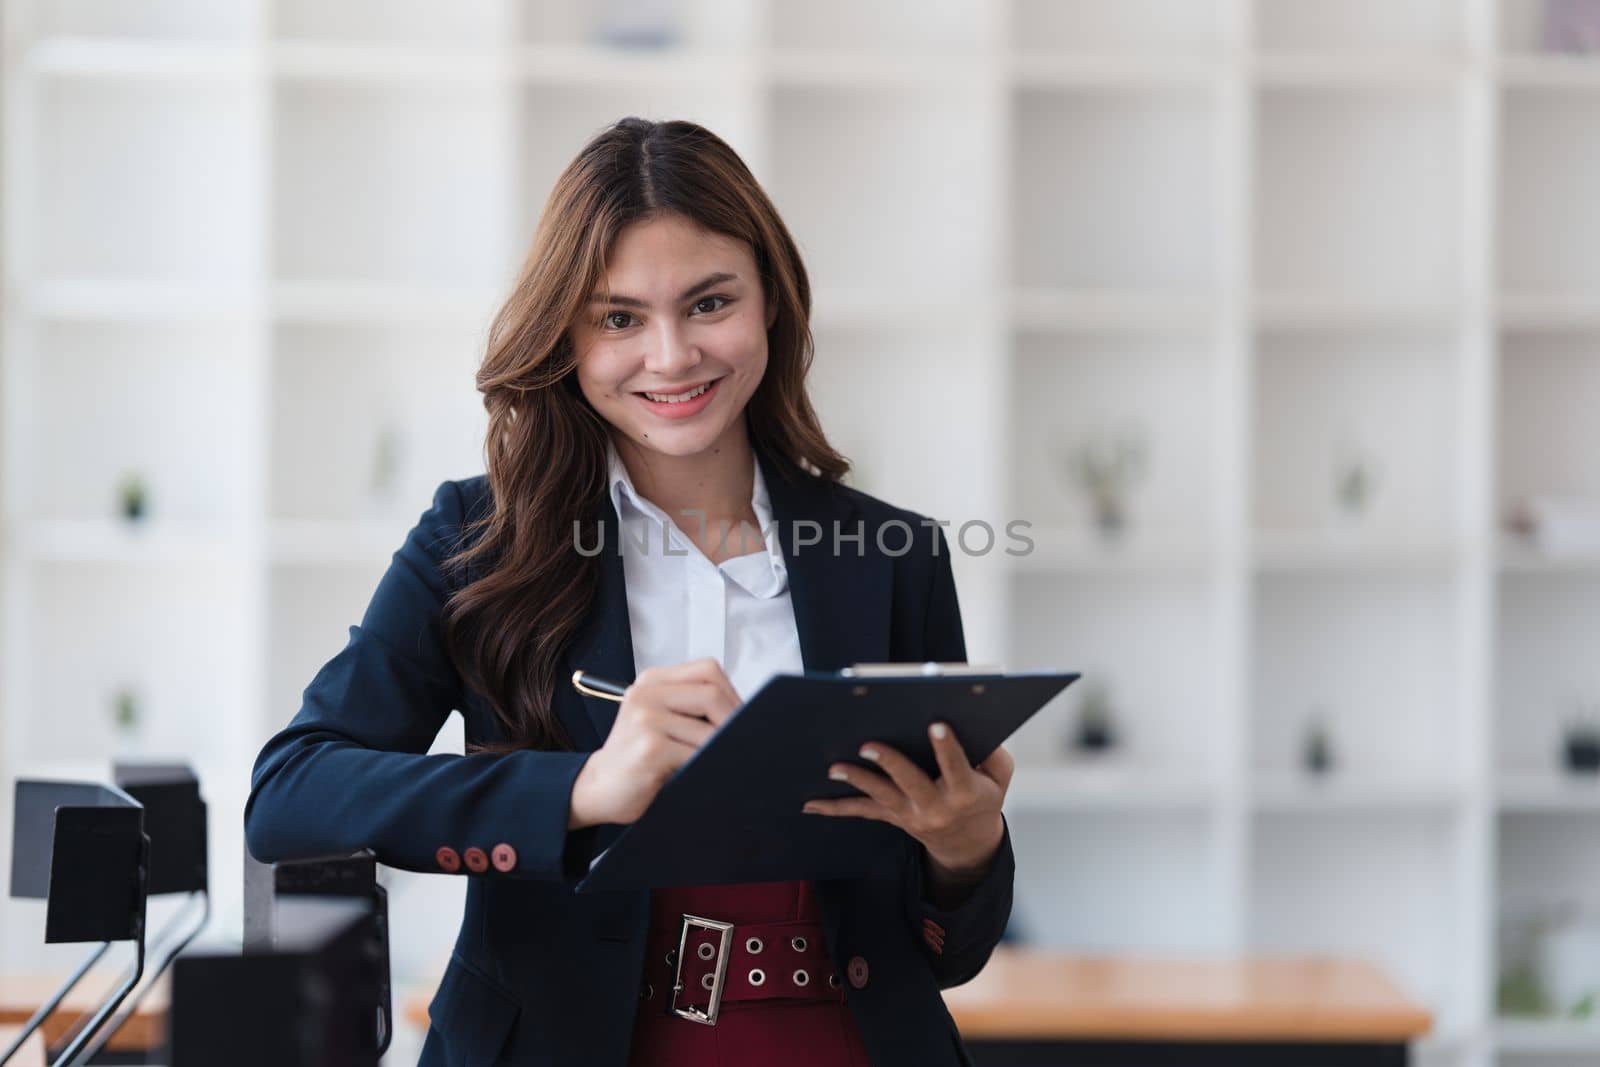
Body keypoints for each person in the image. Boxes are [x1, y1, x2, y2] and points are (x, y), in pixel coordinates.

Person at [244, 116, 1016, 1066]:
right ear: (566, 336)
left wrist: (965, 847)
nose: (671, 355)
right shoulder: (478, 540)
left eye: (709, 303)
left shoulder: (893, 553)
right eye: (618, 318)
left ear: (770, 301)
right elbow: (289, 794)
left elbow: (946, 953)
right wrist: (578, 786)